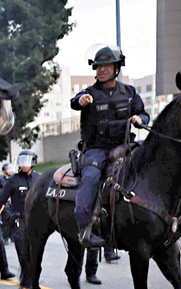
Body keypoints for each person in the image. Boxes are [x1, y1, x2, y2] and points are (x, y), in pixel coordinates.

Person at [72, 45, 149, 247]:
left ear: (117, 68)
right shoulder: (88, 92)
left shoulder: (130, 92)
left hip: (125, 145)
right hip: (97, 149)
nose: (102, 70)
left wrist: (140, 119)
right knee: (90, 176)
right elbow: (74, 101)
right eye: (98, 67)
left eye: (106, 66)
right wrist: (81, 100)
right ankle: (85, 228)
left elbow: (144, 114)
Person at [0, 149, 40, 270]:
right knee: (22, 252)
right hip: (19, 221)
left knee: (36, 253)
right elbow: (1, 199)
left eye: (26, 161)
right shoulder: (13, 180)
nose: (24, 165)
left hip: (36, 221)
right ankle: (26, 274)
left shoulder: (39, 178)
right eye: (22, 161)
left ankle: (33, 277)